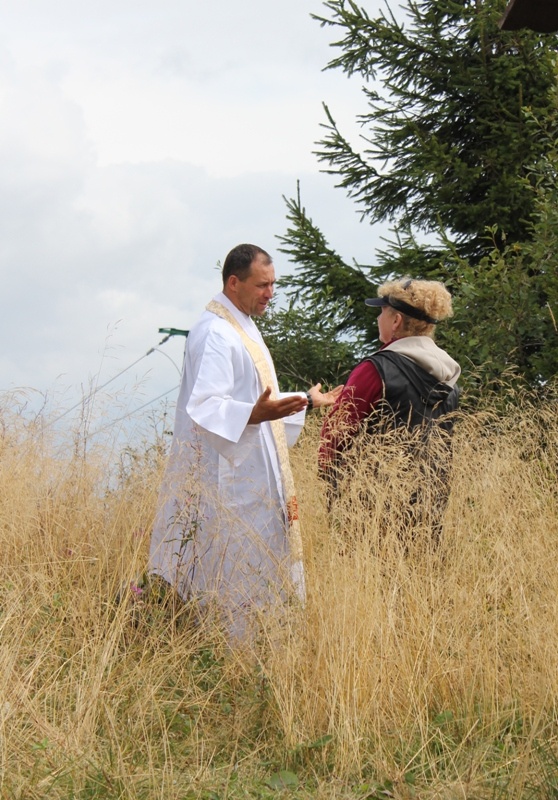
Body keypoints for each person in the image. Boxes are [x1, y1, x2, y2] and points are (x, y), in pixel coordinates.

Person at [149, 243, 341, 636]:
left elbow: (257, 395)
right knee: (229, 565)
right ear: (234, 282)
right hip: (224, 478)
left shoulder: (241, 325)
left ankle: (258, 648)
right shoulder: (216, 332)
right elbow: (206, 406)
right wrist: (255, 415)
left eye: (274, 285)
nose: (270, 294)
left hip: (250, 471)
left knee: (257, 565)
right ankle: (224, 654)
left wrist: (305, 400)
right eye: (262, 285)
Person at [319, 277, 461, 544]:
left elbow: (334, 435)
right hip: (430, 505)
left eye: (382, 312)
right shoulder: (449, 376)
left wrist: (331, 487)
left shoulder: (374, 370)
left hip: (372, 509)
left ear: (396, 321)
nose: (378, 319)